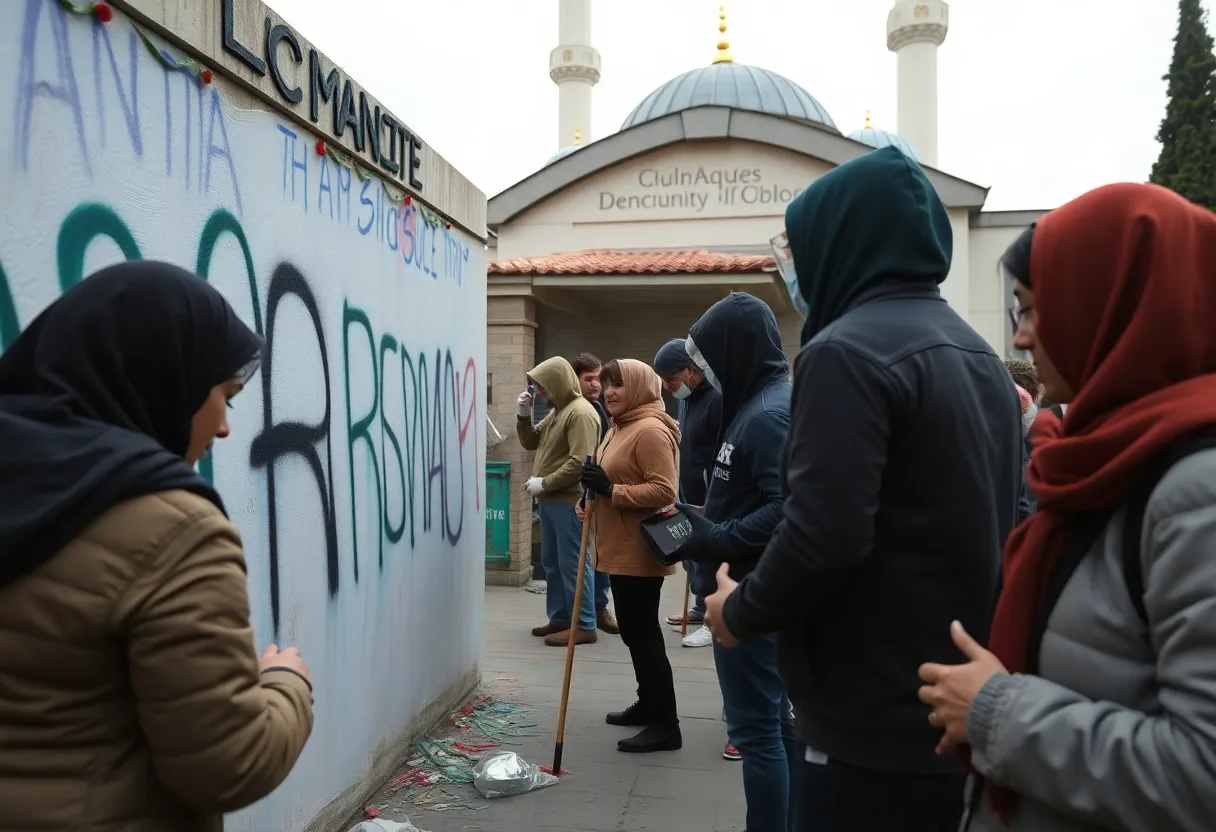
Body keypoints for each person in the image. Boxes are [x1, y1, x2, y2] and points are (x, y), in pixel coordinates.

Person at [703, 146, 1023, 831]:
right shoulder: (979, 357)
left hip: (866, 719)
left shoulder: (844, 353)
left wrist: (741, 611)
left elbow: (823, 534)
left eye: (795, 245)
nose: (791, 264)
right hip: (951, 704)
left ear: (843, 238)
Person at [918, 183, 1216, 832]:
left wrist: (996, 712)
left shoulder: (1196, 492)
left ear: (1110, 309)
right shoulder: (1103, 460)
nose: (1020, 339)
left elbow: (1204, 774)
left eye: (1030, 310)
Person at [0, 261, 313, 831]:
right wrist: (285, 682)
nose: (223, 427)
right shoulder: (175, 532)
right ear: (163, 379)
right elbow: (229, 766)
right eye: (225, 395)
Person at [678, 292, 799, 832]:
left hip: (748, 593)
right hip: (741, 588)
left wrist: (718, 535)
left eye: (708, 357)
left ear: (737, 350)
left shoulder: (770, 413)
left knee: (757, 735)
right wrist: (696, 516)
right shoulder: (754, 404)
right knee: (775, 725)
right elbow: (749, 491)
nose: (703, 371)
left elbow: (786, 509)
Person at [576, 359, 682, 753]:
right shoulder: (618, 426)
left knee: (644, 636)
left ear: (637, 386)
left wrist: (610, 492)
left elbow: (664, 491)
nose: (610, 392)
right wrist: (588, 501)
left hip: (638, 550)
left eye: (618, 384)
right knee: (636, 635)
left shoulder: (651, 430)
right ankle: (648, 704)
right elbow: (606, 479)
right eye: (606, 384)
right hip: (616, 546)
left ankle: (666, 725)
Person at [517, 356, 603, 646]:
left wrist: (545, 482)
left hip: (568, 502)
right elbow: (530, 441)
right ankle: (561, 618)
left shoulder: (579, 413)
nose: (541, 393)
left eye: (544, 387)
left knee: (574, 565)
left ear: (557, 382)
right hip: (551, 502)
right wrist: (522, 415)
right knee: (553, 563)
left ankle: (585, 624)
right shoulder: (559, 412)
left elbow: (580, 463)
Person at [653, 338, 722, 654]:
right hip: (688, 488)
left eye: (671, 380)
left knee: (710, 559)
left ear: (692, 371)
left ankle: (713, 621)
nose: (669, 388)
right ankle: (698, 608)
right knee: (691, 556)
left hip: (710, 494)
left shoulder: (717, 399)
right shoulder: (688, 399)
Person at [570, 351, 618, 635]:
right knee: (589, 556)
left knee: (600, 554)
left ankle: (600, 607)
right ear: (574, 380)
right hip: (586, 492)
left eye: (599, 379)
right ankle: (592, 609)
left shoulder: (601, 409)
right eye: (589, 379)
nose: (596, 385)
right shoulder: (577, 409)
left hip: (602, 490)